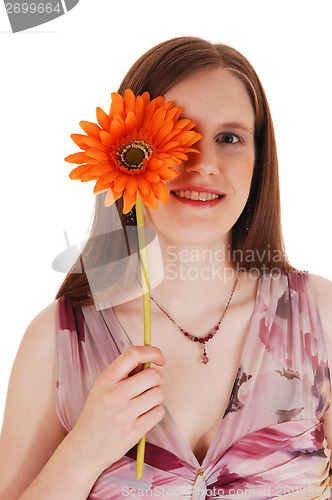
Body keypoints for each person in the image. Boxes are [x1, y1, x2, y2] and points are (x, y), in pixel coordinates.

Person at [0, 36, 332, 500]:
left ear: (259, 163)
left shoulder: (318, 317)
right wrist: (85, 449)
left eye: (230, 138)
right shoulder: (57, 344)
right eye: (179, 135)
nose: (204, 164)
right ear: (127, 151)